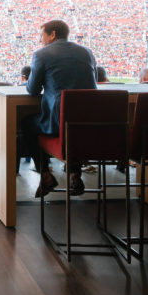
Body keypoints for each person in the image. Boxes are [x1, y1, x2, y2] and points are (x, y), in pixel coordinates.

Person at [21, 20, 98, 197]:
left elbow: (32, 90)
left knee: (27, 124)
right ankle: (74, 174)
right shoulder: (87, 52)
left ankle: (46, 174)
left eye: (42, 36)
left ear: (53, 34)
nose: (41, 41)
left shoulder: (42, 54)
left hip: (58, 123)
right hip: (88, 123)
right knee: (74, 126)